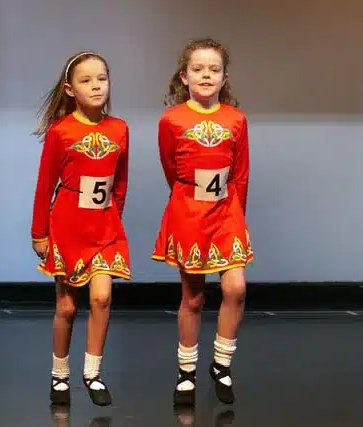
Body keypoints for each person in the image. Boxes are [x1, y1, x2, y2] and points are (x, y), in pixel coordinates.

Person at [151, 38, 253, 407]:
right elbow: (171, 169)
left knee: (235, 289)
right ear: (184, 76)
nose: (206, 75)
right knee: (192, 297)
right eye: (198, 69)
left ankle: (222, 364)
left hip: (227, 212)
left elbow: (240, 173)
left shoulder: (236, 120)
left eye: (213, 69)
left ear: (224, 77)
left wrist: (238, 216)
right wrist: (187, 201)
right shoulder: (171, 120)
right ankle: (186, 371)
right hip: (190, 213)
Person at [31, 51, 131, 407]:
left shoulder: (119, 128)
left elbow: (120, 182)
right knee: (68, 307)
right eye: (86, 80)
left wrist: (114, 217)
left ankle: (93, 373)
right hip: (69, 226)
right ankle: (60, 374)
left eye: (101, 78)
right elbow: (45, 185)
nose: (96, 86)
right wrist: (39, 233)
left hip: (104, 228)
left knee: (102, 298)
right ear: (70, 89)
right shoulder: (61, 132)